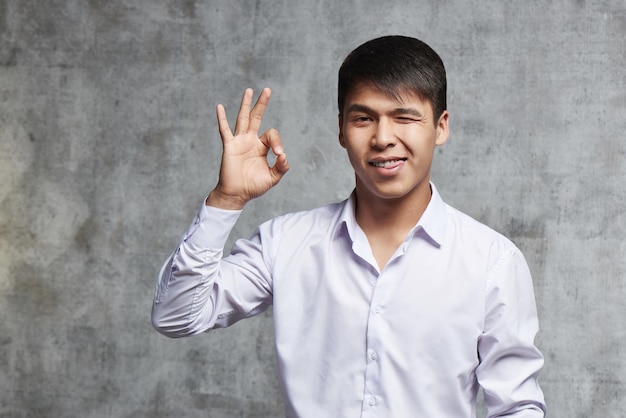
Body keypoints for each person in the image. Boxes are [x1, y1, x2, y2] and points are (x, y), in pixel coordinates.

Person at [152, 35, 546, 417]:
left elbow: (517, 407)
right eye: (363, 119)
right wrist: (227, 199)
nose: (383, 138)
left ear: (440, 127)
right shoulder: (286, 243)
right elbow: (176, 315)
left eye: (404, 117)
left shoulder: (492, 261)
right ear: (341, 130)